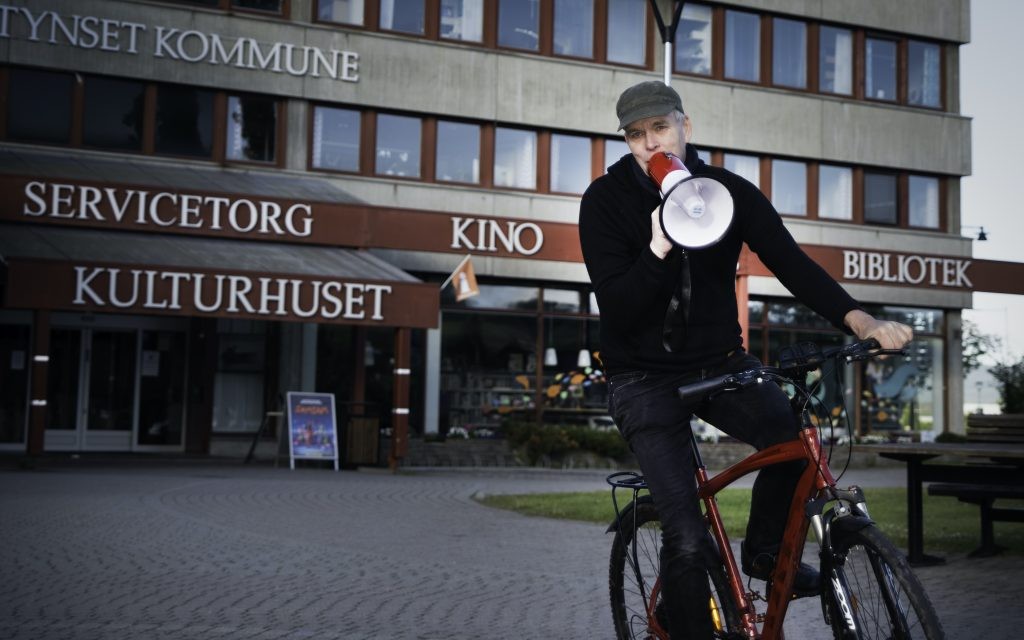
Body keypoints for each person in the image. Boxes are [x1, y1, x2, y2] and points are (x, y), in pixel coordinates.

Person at [578, 81, 913, 639]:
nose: (648, 143)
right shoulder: (604, 201)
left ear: (687, 126)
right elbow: (619, 307)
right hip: (641, 377)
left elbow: (790, 261)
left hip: (717, 362)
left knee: (792, 444)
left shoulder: (727, 192)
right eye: (635, 135)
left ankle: (762, 552)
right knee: (686, 536)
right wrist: (660, 244)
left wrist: (862, 321)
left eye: (659, 128)